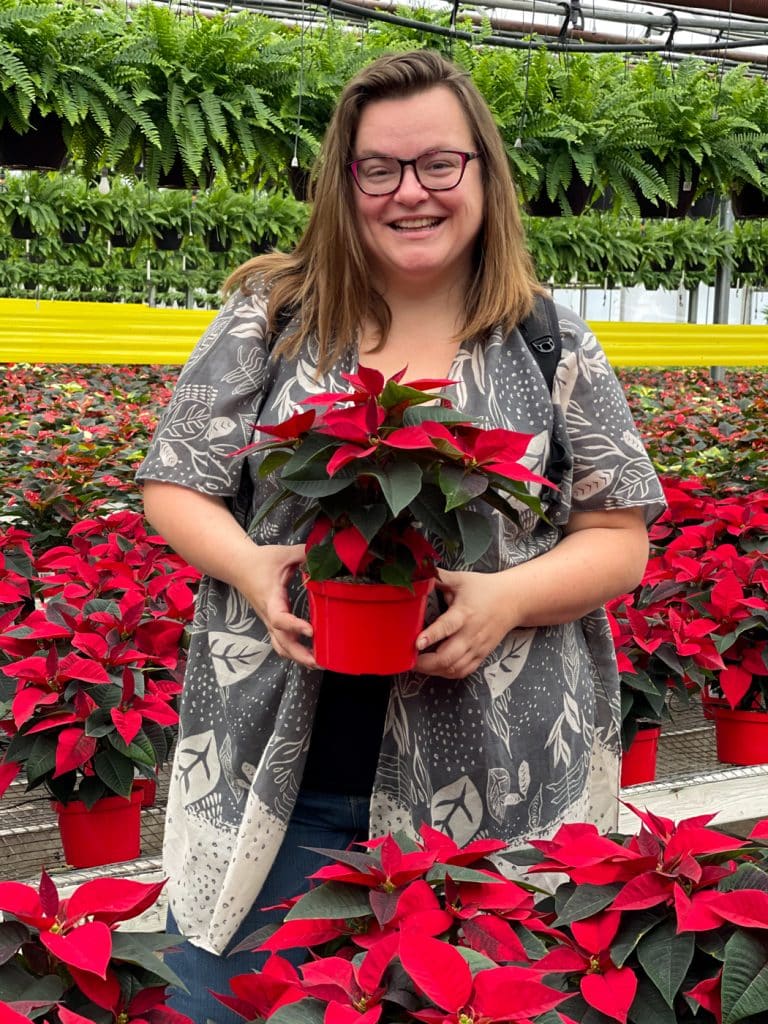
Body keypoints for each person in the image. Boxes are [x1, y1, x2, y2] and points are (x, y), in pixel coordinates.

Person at [137, 48, 665, 1022]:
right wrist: (253, 567)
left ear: (481, 174)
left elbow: (617, 532)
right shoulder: (276, 318)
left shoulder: (549, 341)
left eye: (438, 164)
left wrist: (508, 597)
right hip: (276, 788)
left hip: (490, 805)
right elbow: (177, 484)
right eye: (378, 167)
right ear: (345, 181)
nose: (408, 191)